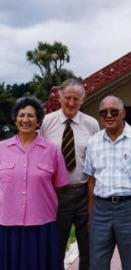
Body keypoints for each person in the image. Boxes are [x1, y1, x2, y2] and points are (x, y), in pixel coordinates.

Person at [83, 95, 131, 270]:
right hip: (101, 210)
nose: (108, 115)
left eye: (114, 111)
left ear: (123, 113)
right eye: (103, 112)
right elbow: (91, 182)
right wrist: (91, 215)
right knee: (97, 264)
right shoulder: (93, 142)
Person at [0, 97, 69, 270]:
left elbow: (58, 186)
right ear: (15, 119)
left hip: (41, 225)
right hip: (8, 224)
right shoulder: (2, 149)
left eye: (31, 116)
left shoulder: (52, 151)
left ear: (38, 121)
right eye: (21, 115)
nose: (25, 120)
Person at [40, 79, 99, 270]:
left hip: (84, 191)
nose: (71, 103)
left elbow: (97, 158)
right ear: (59, 97)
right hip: (56, 193)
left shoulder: (91, 124)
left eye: (76, 98)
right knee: (56, 244)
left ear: (83, 99)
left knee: (88, 245)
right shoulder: (46, 122)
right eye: (68, 98)